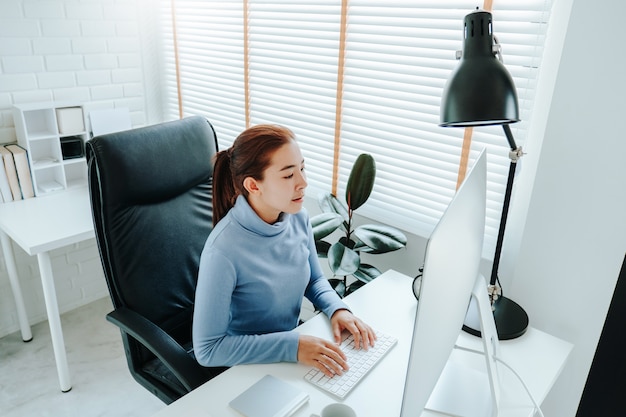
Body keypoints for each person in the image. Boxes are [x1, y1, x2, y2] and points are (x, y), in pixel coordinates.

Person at [192, 124, 377, 377]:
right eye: (289, 175)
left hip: (291, 350)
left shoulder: (298, 218)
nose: (303, 183)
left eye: (302, 168)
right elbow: (208, 350)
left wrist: (338, 309)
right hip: (244, 367)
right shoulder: (222, 251)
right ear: (254, 185)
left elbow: (313, 279)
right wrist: (294, 346)